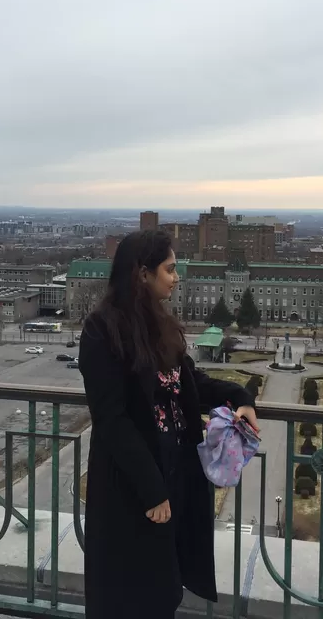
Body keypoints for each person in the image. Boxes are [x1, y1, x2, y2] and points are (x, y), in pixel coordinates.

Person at [78, 230, 260, 619]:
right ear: (142, 273)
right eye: (170, 269)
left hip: (175, 476)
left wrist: (241, 398)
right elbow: (111, 418)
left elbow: (192, 384)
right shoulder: (101, 329)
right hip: (131, 486)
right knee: (130, 592)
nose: (176, 277)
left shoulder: (162, 326)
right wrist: (151, 489)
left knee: (164, 590)